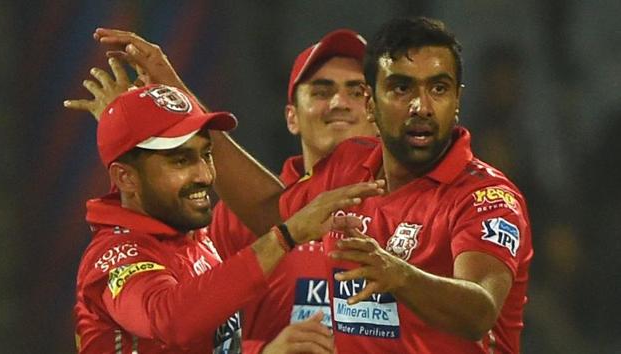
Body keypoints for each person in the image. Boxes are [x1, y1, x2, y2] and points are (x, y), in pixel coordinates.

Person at [69, 16, 533, 353]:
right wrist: (170, 103)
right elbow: (274, 218)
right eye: (401, 89)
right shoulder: (350, 167)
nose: (421, 107)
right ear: (374, 104)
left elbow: (480, 311)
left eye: (439, 88)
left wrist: (399, 275)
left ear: (458, 101)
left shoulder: (485, 197)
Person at [66, 28, 379, 354]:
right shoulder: (119, 253)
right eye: (180, 160)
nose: (204, 175)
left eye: (207, 155)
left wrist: (131, 130)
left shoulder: (194, 237)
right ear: (291, 116)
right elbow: (169, 318)